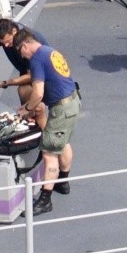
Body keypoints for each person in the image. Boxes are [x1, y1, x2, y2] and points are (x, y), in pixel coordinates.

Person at [11, 28, 78, 214]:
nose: (22, 57)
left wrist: (27, 108)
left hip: (61, 109)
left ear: (25, 45)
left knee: (49, 153)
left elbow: (38, 92)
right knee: (63, 143)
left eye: (20, 51)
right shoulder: (50, 51)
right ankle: (62, 182)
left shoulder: (37, 59)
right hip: (73, 102)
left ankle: (45, 199)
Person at [0, 18, 46, 93]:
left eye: (8, 41)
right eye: (3, 43)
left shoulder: (30, 43)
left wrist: (5, 83)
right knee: (23, 91)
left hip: (44, 73)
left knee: (37, 97)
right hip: (26, 70)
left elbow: (31, 75)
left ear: (14, 31)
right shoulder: (2, 34)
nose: (6, 45)